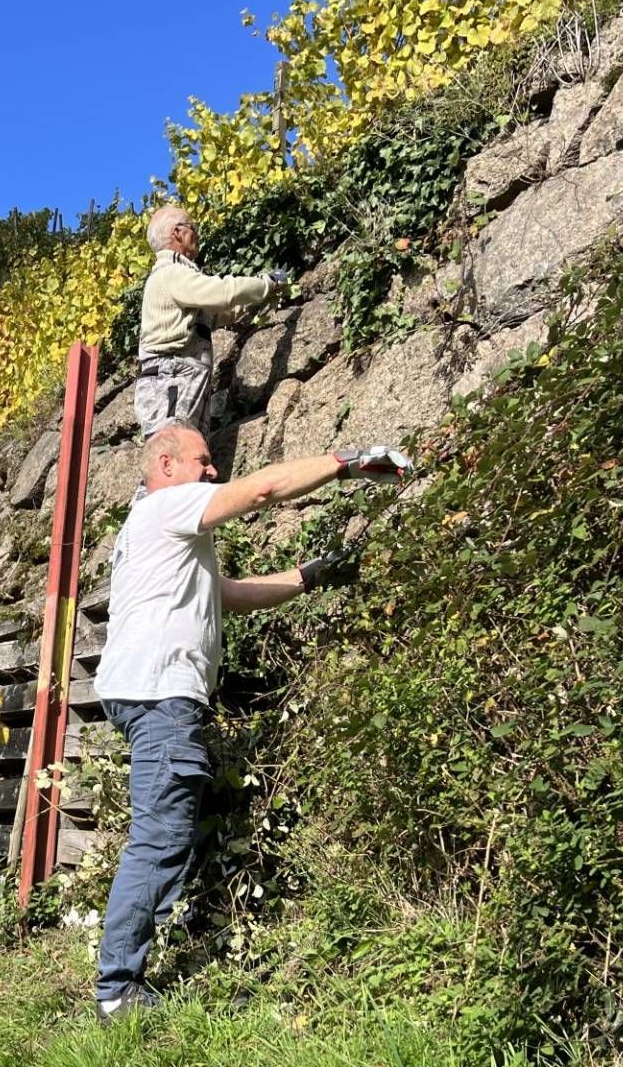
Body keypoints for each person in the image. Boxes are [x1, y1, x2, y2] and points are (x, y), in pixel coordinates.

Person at [90, 424, 407, 1022]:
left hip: (146, 695)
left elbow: (230, 595)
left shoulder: (158, 535)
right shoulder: (167, 506)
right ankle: (116, 991)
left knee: (171, 835)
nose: (212, 471)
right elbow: (262, 490)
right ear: (166, 464)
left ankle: (128, 974)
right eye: (203, 460)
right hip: (160, 697)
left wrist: (310, 575)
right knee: (159, 840)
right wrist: (346, 460)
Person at [135, 205, 287, 440]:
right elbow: (223, 292)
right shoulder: (171, 272)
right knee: (174, 451)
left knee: (187, 453)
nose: (197, 234)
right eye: (192, 227)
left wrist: (256, 300)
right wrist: (267, 283)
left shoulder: (175, 276)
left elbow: (215, 315)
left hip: (177, 380)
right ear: (177, 233)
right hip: (171, 382)